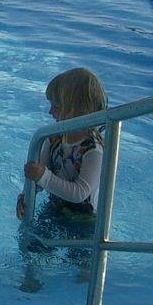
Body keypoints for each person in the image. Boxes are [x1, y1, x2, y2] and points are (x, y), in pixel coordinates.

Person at [15, 68, 108, 268]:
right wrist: (26, 194)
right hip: (55, 208)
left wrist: (44, 177)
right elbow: (39, 176)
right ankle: (32, 284)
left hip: (85, 221)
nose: (50, 112)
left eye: (56, 105)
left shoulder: (93, 150)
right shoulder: (54, 137)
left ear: (77, 109)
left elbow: (80, 193)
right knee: (34, 248)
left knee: (83, 265)